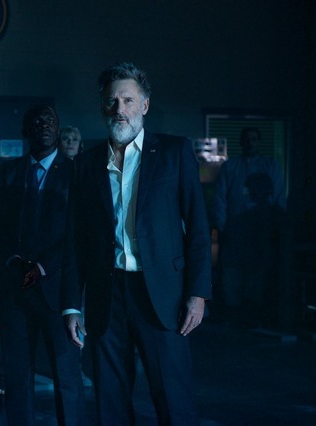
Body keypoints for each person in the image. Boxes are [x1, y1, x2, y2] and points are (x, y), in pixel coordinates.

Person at [66, 62, 212, 425]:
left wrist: (198, 292)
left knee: (173, 399)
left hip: (162, 293)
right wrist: (71, 305)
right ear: (102, 106)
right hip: (106, 295)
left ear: (144, 105)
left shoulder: (174, 153)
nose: (119, 109)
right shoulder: (86, 165)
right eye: (112, 101)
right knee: (110, 400)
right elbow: (77, 241)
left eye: (128, 100)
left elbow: (198, 226)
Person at [0, 105, 83, 426]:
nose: (43, 126)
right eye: (36, 122)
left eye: (49, 121)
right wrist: (12, 259)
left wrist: (42, 266)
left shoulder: (76, 173)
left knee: (66, 374)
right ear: (25, 132)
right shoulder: (9, 171)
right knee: (17, 373)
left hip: (57, 288)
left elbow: (78, 232)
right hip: (14, 285)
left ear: (58, 129)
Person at [213, 127, 286, 324]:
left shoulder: (269, 166)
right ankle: (233, 315)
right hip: (235, 230)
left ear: (259, 142)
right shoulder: (230, 167)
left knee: (257, 273)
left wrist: (276, 227)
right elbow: (220, 198)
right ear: (241, 142)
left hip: (261, 229)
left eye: (254, 139)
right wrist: (222, 227)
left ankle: (252, 316)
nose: (250, 143)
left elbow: (279, 197)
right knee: (232, 273)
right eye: (247, 139)